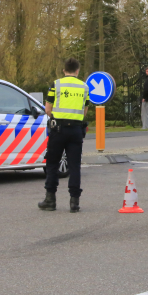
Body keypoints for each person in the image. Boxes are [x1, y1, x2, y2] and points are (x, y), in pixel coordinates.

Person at [39, 57, 89, 213]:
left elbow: (48, 109)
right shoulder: (84, 87)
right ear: (77, 71)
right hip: (76, 131)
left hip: (58, 129)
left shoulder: (56, 84)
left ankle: (50, 200)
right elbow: (85, 110)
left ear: (64, 70)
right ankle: (74, 202)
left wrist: (55, 116)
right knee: (74, 166)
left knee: (52, 164)